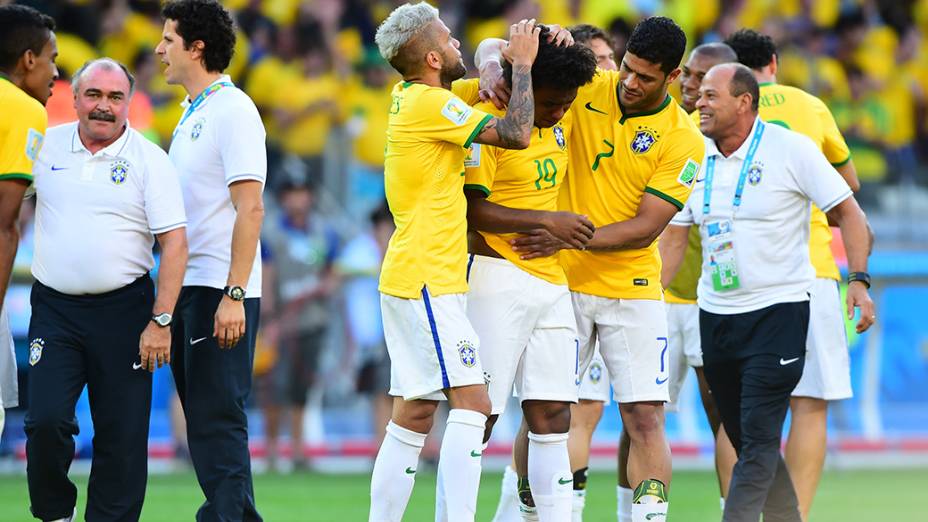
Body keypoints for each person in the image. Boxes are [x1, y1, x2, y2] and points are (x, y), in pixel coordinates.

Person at [477, 17, 704, 522]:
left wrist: (560, 232)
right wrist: (496, 63)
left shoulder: (683, 139)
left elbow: (645, 228)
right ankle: (529, 513)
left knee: (646, 416)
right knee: (545, 411)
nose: (629, 81)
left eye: (646, 77)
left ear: (673, 77)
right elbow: (496, 42)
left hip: (633, 285)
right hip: (562, 283)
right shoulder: (588, 86)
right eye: (627, 68)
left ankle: (649, 518)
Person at [663, 63, 874, 522]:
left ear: (744, 102)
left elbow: (853, 215)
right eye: (699, 96)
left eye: (711, 96)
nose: (698, 101)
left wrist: (858, 280)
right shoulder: (692, 156)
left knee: (757, 442)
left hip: (778, 314)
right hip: (715, 316)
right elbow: (675, 238)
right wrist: (646, 297)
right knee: (746, 440)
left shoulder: (791, 150)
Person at [368, 3, 543, 521]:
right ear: (430, 56)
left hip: (416, 275)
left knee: (414, 412)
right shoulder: (428, 104)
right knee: (475, 404)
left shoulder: (417, 97)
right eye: (448, 39)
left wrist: (493, 64)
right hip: (426, 277)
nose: (458, 44)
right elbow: (516, 134)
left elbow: (487, 49)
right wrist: (525, 66)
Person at [25, 58, 188, 522]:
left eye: (115, 97)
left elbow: (175, 244)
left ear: (129, 105)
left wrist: (161, 321)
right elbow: (9, 204)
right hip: (54, 309)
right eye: (94, 95)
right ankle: (55, 512)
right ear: (74, 98)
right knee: (45, 421)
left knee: (122, 435)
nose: (103, 106)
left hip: (125, 311)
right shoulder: (45, 145)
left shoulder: (150, 160)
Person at [723, 29, 862, 520]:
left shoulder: (716, 109)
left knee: (737, 411)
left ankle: (734, 509)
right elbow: (848, 185)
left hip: (734, 278)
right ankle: (793, 514)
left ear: (728, 69)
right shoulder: (810, 107)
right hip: (811, 271)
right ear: (774, 64)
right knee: (810, 402)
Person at [463, 28, 597, 521]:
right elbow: (475, 211)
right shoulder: (492, 118)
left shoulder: (559, 115)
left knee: (553, 413)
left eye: (567, 103)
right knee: (480, 416)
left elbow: (514, 39)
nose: (561, 111)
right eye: (553, 102)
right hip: (495, 277)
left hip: (551, 280)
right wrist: (548, 221)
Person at [156, 1, 267, 520]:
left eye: (169, 40)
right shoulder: (194, 114)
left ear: (196, 48)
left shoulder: (233, 109)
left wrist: (234, 294)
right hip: (190, 287)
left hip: (219, 290)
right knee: (204, 420)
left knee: (217, 417)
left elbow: (251, 206)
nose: (159, 49)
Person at [658, 41, 738, 514]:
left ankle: (734, 510)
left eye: (706, 80)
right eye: (689, 76)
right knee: (641, 417)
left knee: (723, 415)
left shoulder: (741, 144)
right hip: (663, 297)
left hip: (714, 302)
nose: (694, 86)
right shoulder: (669, 128)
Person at [0, 4, 57, 440]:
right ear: (28, 60)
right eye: (52, 58)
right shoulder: (22, 108)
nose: (56, 73)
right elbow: (3, 222)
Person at [259, 180, 339, 471]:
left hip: (312, 319)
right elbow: (266, 274)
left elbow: (333, 271)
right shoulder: (271, 232)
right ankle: (270, 450)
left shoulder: (323, 231)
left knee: (301, 387)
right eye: (291, 193)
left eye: (302, 192)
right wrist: (267, 317)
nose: (297, 199)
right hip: (279, 322)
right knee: (273, 387)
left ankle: (296, 449)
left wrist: (325, 286)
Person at [337, 202, 395, 448]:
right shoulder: (361, 250)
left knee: (415, 391)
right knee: (380, 390)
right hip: (375, 334)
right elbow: (337, 274)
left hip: (406, 330)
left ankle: (422, 451)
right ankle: (381, 447)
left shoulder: (407, 248)